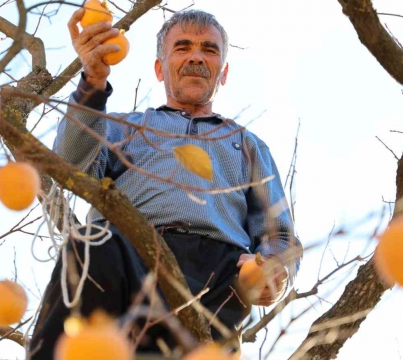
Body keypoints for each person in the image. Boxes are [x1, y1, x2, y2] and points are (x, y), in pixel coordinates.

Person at [29, 8, 303, 359]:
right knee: (87, 247)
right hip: (128, 256)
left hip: (217, 276)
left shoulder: (247, 146)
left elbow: (278, 235)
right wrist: (93, 80)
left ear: (224, 74)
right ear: (160, 69)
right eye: (183, 47)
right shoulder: (125, 127)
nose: (196, 57)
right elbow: (70, 162)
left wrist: (272, 269)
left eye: (209, 49)